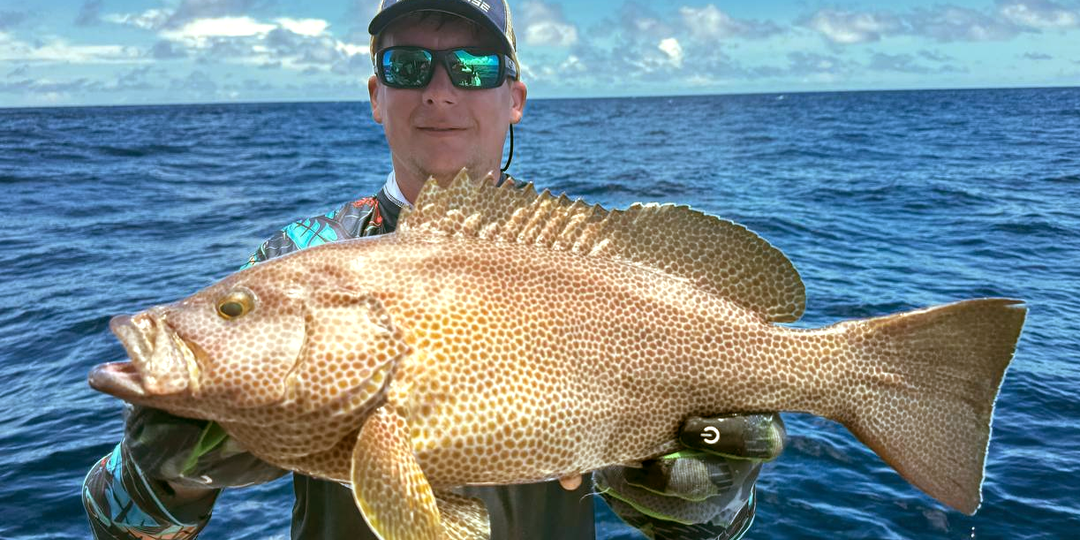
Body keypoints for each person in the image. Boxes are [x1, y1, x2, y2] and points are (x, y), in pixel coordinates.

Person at [82, 1, 786, 538]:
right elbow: (118, 528)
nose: (440, 91)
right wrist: (164, 477)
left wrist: (709, 506)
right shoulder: (293, 259)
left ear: (514, 99)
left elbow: (712, 525)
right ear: (375, 95)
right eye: (407, 66)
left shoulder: (599, 269)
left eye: (474, 68)